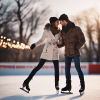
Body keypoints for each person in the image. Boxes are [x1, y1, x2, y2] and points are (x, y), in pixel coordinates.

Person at [22, 17, 61, 93]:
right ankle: (26, 81)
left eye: (59, 22)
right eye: (57, 22)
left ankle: (57, 84)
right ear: (53, 23)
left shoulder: (59, 32)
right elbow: (41, 40)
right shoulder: (47, 31)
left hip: (55, 51)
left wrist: (61, 44)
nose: (58, 23)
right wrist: (34, 45)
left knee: (57, 69)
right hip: (47, 51)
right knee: (38, 67)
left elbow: (62, 41)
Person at [58, 14, 86, 94]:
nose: (60, 23)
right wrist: (58, 45)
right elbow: (64, 43)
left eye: (60, 21)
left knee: (78, 68)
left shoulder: (76, 29)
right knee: (67, 69)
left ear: (64, 21)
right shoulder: (62, 31)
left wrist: (76, 48)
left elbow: (83, 40)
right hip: (67, 54)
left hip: (75, 53)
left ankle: (82, 85)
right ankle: (68, 86)